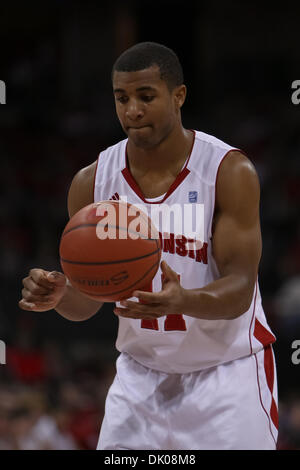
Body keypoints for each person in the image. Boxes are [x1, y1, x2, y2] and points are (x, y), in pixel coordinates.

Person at [19, 42, 278, 450]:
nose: (132, 111)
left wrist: (183, 300)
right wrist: (60, 294)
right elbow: (87, 301)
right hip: (140, 378)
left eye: (146, 96)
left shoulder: (227, 171)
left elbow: (241, 289)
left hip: (226, 377)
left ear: (179, 96)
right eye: (121, 98)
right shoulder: (93, 182)